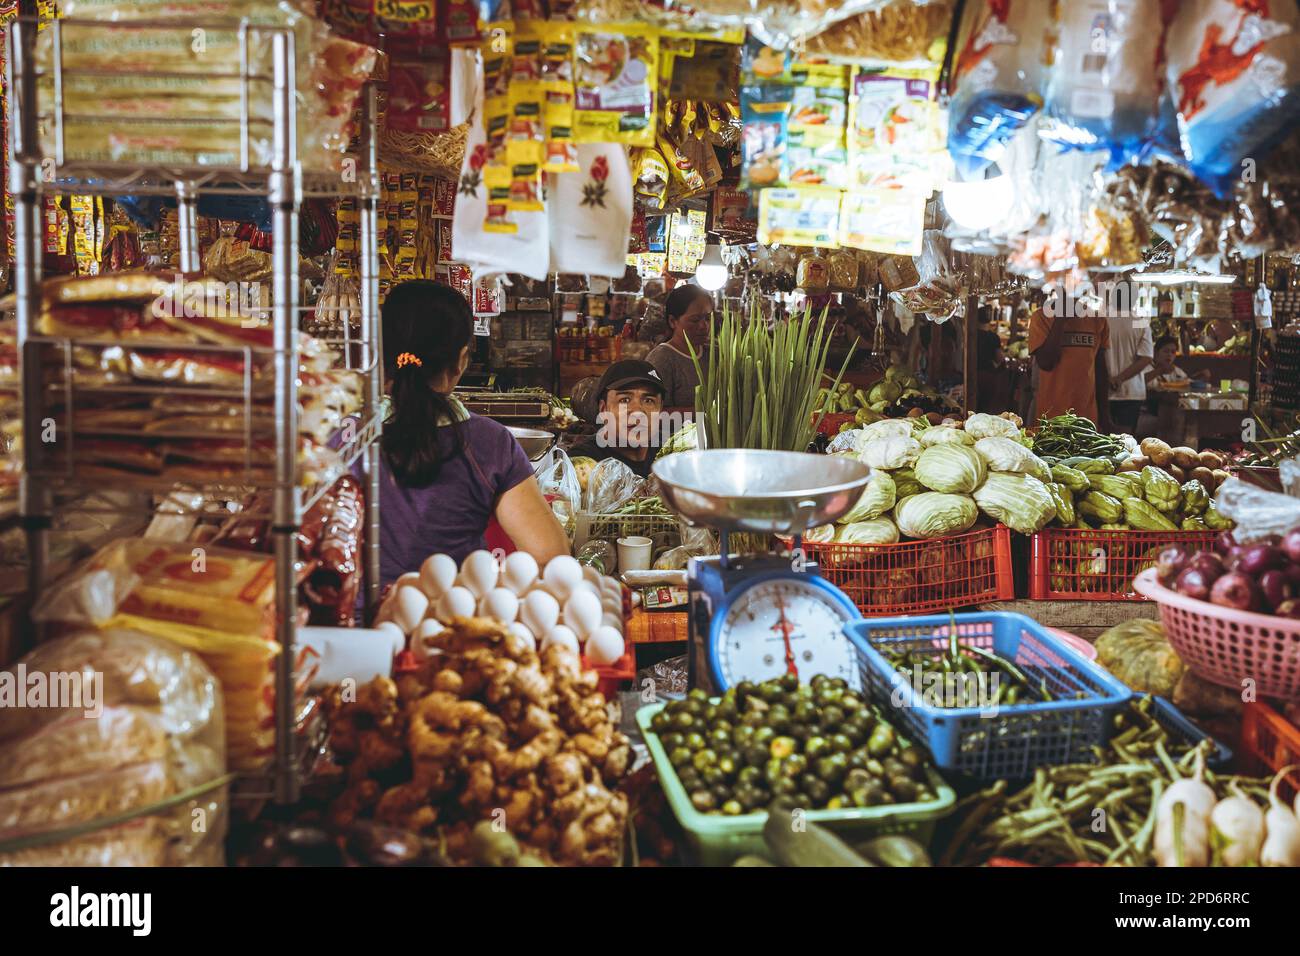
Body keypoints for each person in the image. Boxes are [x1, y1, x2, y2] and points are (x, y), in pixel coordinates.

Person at [369, 280, 569, 596]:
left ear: (378, 352)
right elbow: (550, 558)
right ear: (462, 360)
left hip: (351, 631)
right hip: (453, 627)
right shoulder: (489, 443)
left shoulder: (343, 437)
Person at [566, 359, 666, 479]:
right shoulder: (582, 464)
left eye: (649, 401)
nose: (637, 411)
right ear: (603, 410)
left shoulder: (672, 455)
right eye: (624, 400)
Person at [1029, 291, 1111, 430]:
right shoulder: (1041, 317)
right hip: (1051, 417)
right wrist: (1060, 319)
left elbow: (1100, 371)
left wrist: (1105, 415)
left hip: (1086, 417)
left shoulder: (1097, 319)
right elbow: (1045, 362)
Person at [646, 283, 713, 409]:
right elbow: (652, 412)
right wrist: (703, 413)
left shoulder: (713, 353)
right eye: (695, 320)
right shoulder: (662, 359)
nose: (704, 326)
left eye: (708, 318)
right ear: (673, 321)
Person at [1105, 308, 1154, 433]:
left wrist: (1109, 378)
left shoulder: (1102, 318)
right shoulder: (1141, 322)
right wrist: (1120, 379)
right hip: (1132, 392)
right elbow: (1146, 358)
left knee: (1102, 437)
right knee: (1125, 440)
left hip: (1103, 389)